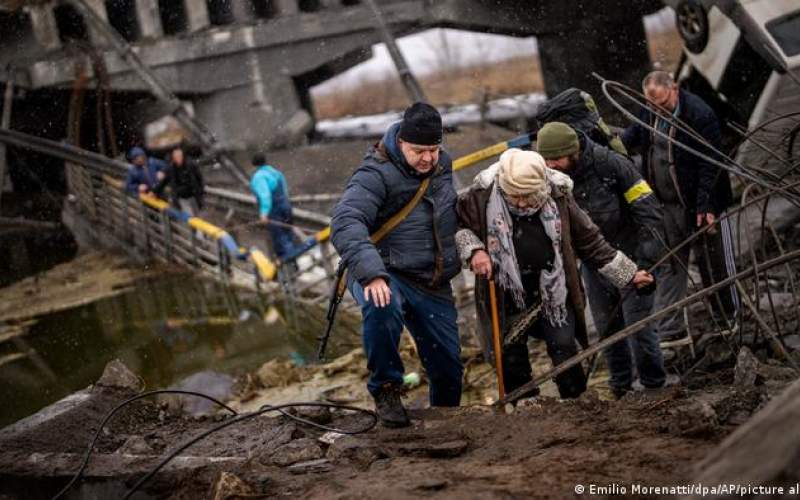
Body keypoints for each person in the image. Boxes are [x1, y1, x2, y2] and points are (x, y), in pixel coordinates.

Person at [456, 148, 654, 400]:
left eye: (527, 195)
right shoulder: (480, 196)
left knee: (563, 346)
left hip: (553, 288)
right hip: (504, 289)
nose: (520, 202)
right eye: (513, 195)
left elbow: (590, 241)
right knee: (510, 353)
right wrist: (474, 251)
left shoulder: (558, 196)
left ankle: (577, 402)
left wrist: (630, 274)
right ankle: (524, 407)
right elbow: (460, 228)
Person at [331, 102, 463, 427]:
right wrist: (373, 275)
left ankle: (443, 419)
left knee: (448, 365)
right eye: (419, 150)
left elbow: (451, 213)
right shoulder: (374, 173)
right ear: (401, 142)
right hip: (383, 269)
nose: (428, 158)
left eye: (434, 149)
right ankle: (387, 389)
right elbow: (345, 221)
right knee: (382, 304)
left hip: (429, 278)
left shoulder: (442, 166)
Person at [536, 121, 666, 398]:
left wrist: (646, 262)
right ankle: (620, 388)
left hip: (632, 259)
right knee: (608, 331)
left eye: (556, 159)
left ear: (573, 152)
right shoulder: (552, 178)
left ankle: (655, 388)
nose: (551, 166)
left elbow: (650, 214)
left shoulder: (613, 166)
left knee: (639, 328)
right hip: (595, 265)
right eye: (546, 160)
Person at [622, 71, 738, 342]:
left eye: (663, 104)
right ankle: (672, 331)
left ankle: (727, 320)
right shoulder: (649, 111)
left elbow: (710, 165)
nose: (658, 110)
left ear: (674, 89)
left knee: (714, 264)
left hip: (702, 202)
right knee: (671, 264)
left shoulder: (700, 115)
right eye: (653, 105)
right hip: (668, 205)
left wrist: (705, 206)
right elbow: (632, 136)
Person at [249, 153, 296, 261]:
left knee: (280, 240)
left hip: (274, 210)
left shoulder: (259, 177)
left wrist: (264, 213)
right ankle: (294, 265)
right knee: (288, 236)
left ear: (254, 165)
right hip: (286, 206)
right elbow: (285, 191)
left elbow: (265, 196)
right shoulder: (276, 172)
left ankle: (288, 271)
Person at [152, 146, 205, 216]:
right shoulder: (171, 169)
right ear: (173, 158)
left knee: (197, 216)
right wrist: (154, 191)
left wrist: (201, 191)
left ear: (183, 156)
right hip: (181, 197)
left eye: (179, 156)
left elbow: (199, 178)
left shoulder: (191, 165)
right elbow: (164, 182)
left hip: (193, 196)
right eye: (176, 157)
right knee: (189, 217)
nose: (178, 159)